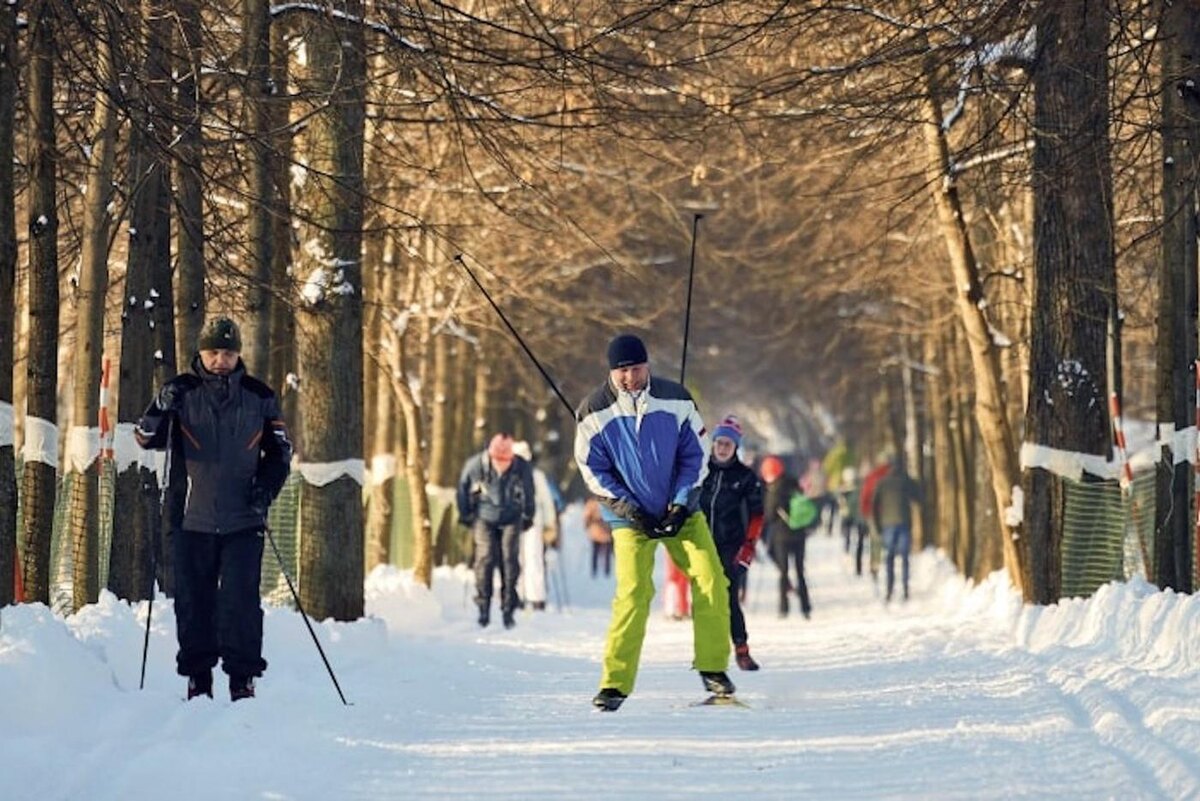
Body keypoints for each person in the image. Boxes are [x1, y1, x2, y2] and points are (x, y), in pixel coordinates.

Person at [135, 316, 292, 702]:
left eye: (228, 352)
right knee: (194, 602)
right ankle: (198, 679)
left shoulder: (259, 396)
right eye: (213, 352)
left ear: (238, 354)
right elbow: (144, 438)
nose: (220, 360)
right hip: (193, 519)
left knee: (241, 602)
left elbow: (281, 454)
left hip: (244, 519)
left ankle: (242, 680)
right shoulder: (181, 391)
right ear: (200, 354)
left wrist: (264, 490)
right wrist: (159, 405)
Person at [575, 334, 733, 711]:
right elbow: (591, 468)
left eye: (636, 368)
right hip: (630, 519)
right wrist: (629, 509)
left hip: (681, 511)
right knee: (633, 593)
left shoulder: (676, 399)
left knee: (711, 578)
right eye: (622, 371)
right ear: (611, 372)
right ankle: (615, 684)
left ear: (647, 365)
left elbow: (695, 456)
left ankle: (713, 667)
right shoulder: (593, 411)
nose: (630, 377)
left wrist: (680, 504)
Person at [698, 415, 764, 671]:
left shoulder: (745, 477)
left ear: (736, 447)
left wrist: (749, 547)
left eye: (728, 444)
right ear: (713, 444)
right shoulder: (702, 470)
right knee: (706, 601)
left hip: (731, 546)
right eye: (719, 443)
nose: (723, 447)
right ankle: (711, 653)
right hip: (702, 543)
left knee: (728, 598)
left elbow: (758, 515)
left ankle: (741, 649)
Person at [457, 433, 535, 628]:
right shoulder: (477, 464)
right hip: (485, 516)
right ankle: (483, 606)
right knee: (485, 558)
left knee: (509, 559)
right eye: (497, 459)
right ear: (490, 455)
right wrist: (465, 513)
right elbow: (462, 487)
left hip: (512, 517)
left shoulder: (521, 467)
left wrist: (528, 515)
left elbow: (529, 491)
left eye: (505, 460)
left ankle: (508, 607)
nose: (501, 464)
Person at [761, 455, 813, 619]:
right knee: (800, 571)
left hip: (781, 536)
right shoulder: (794, 482)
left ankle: (784, 608)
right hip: (799, 534)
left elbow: (769, 515)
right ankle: (806, 607)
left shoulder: (774, 489)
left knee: (783, 572)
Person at [512, 440, 558, 611]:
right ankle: (521, 596)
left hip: (532, 523)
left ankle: (535, 597)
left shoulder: (535, 475)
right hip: (516, 522)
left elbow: (546, 501)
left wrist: (549, 524)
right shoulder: (510, 475)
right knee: (520, 559)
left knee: (532, 559)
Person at [871, 457, 922, 603]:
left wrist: (877, 525)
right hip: (903, 523)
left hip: (888, 524)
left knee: (890, 557)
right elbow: (918, 496)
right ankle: (905, 588)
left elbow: (874, 505)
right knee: (905, 557)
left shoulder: (882, 483)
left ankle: (889, 589)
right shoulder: (905, 481)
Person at [838, 466, 868, 577]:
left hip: (853, 517)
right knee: (855, 541)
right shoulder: (857, 488)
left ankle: (854, 562)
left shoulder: (851, 489)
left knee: (854, 539)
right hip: (856, 517)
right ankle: (856, 564)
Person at [584, 497, 613, 577]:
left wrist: (587, 526)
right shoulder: (606, 502)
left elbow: (586, 517)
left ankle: (595, 570)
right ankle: (605, 570)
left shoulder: (591, 503)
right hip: (603, 532)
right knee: (604, 553)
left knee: (596, 552)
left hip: (597, 532)